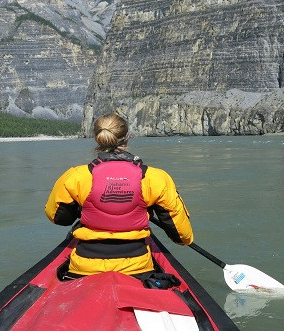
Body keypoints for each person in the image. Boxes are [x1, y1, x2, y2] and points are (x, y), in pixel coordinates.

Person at [45, 113, 194, 279]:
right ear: (127, 136)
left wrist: (83, 208)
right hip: (138, 268)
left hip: (83, 267)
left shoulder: (75, 176)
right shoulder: (156, 178)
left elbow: (58, 218)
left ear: (97, 137)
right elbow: (182, 236)